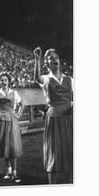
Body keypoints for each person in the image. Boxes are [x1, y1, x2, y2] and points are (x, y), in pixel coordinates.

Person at [33, 47, 73, 184]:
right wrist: (36, 60)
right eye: (51, 58)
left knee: (71, 153)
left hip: (69, 118)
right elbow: (36, 77)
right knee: (54, 153)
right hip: (54, 118)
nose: (54, 59)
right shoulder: (46, 79)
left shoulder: (69, 79)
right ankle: (53, 187)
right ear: (47, 63)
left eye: (56, 57)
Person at [0, 73, 24, 183]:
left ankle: (14, 173)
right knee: (4, 146)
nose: (3, 82)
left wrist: (18, 115)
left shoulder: (14, 93)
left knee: (12, 147)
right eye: (1, 80)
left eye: (5, 80)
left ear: (9, 81)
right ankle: (9, 171)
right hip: (1, 121)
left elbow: (22, 104)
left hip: (12, 120)